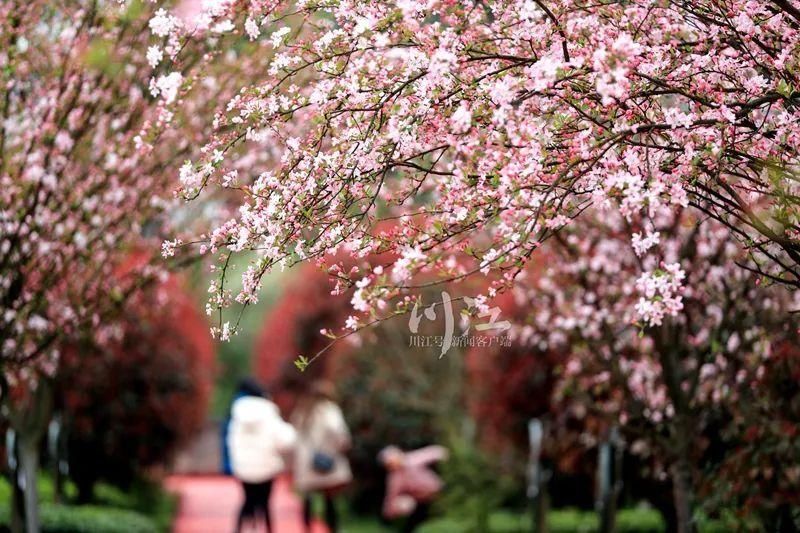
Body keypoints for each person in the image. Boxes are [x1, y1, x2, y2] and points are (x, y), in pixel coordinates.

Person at [228, 380, 296, 533]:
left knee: (247, 500)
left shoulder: (238, 414)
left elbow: (231, 441)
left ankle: (238, 529)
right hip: (267, 466)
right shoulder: (269, 412)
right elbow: (284, 439)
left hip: (244, 467)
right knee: (265, 503)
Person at [291, 381, 352, 533]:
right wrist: (342, 446)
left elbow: (294, 437)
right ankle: (333, 528)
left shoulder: (302, 411)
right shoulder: (330, 410)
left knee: (308, 498)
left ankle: (306, 528)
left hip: (307, 462)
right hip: (327, 460)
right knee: (329, 499)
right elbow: (338, 432)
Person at [379, 445, 449, 533]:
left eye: (393, 460)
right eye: (389, 464)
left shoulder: (412, 459)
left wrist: (443, 453)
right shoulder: (394, 478)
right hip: (419, 500)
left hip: (437, 491)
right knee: (405, 504)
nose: (393, 464)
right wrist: (387, 515)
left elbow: (432, 453)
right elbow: (391, 495)